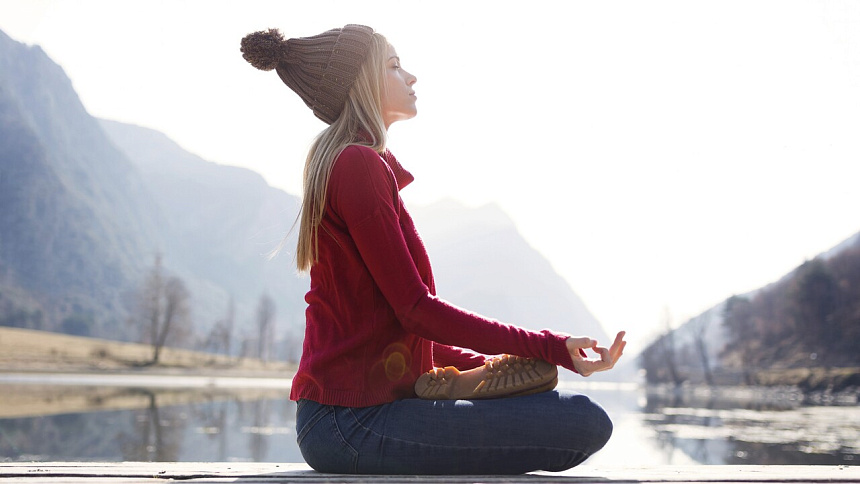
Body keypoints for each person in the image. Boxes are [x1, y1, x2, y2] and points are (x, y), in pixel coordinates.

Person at [240, 24, 626, 475]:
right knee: (582, 421)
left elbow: (396, 327)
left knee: (566, 411)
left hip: (353, 417)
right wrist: (548, 346)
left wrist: (489, 365)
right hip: (349, 423)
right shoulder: (357, 165)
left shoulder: (362, 165)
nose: (411, 77)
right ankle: (458, 388)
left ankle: (457, 383)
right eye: (394, 66)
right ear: (361, 82)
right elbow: (416, 310)